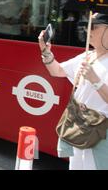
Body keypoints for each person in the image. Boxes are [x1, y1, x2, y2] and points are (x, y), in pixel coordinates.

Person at [38, 13, 108, 170]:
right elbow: (57, 71)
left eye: (94, 27)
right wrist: (45, 51)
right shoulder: (88, 55)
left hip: (101, 132)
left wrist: (95, 80)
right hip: (80, 125)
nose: (87, 31)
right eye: (86, 26)